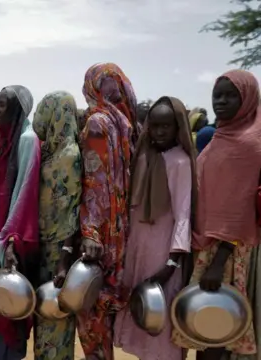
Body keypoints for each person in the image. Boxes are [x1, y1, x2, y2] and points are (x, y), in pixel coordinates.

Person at [172, 70, 261, 359]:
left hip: (229, 249)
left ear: (247, 98)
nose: (221, 101)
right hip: (207, 244)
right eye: (217, 95)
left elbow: (241, 208)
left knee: (218, 325)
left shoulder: (249, 144)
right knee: (206, 326)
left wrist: (219, 259)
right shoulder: (222, 136)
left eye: (230, 95)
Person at [113, 96, 195, 360]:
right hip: (139, 246)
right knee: (141, 311)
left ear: (177, 128)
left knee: (160, 312)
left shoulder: (180, 162)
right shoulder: (144, 155)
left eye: (166, 126)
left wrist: (172, 262)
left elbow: (183, 213)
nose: (159, 132)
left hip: (164, 250)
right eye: (155, 126)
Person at [78, 63, 139, 360]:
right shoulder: (127, 124)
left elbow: (94, 181)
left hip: (99, 233)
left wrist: (89, 231)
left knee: (92, 315)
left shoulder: (97, 124)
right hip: (122, 231)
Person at [0, 85, 38, 360]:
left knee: (11, 299)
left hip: (11, 235)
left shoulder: (26, 140)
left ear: (17, 110)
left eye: (3, 104)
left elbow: (25, 192)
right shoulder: (1, 139)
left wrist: (11, 239)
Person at [31, 91, 82, 360]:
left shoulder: (68, 155)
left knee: (56, 317)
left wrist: (64, 258)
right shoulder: (49, 150)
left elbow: (72, 212)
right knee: (44, 316)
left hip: (58, 251)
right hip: (42, 245)